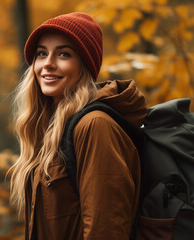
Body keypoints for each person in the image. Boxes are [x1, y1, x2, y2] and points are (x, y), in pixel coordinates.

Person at [9, 12, 148, 239]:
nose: (48, 64)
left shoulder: (94, 126)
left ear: (85, 65)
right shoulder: (52, 128)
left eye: (64, 54)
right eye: (41, 53)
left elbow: (106, 231)